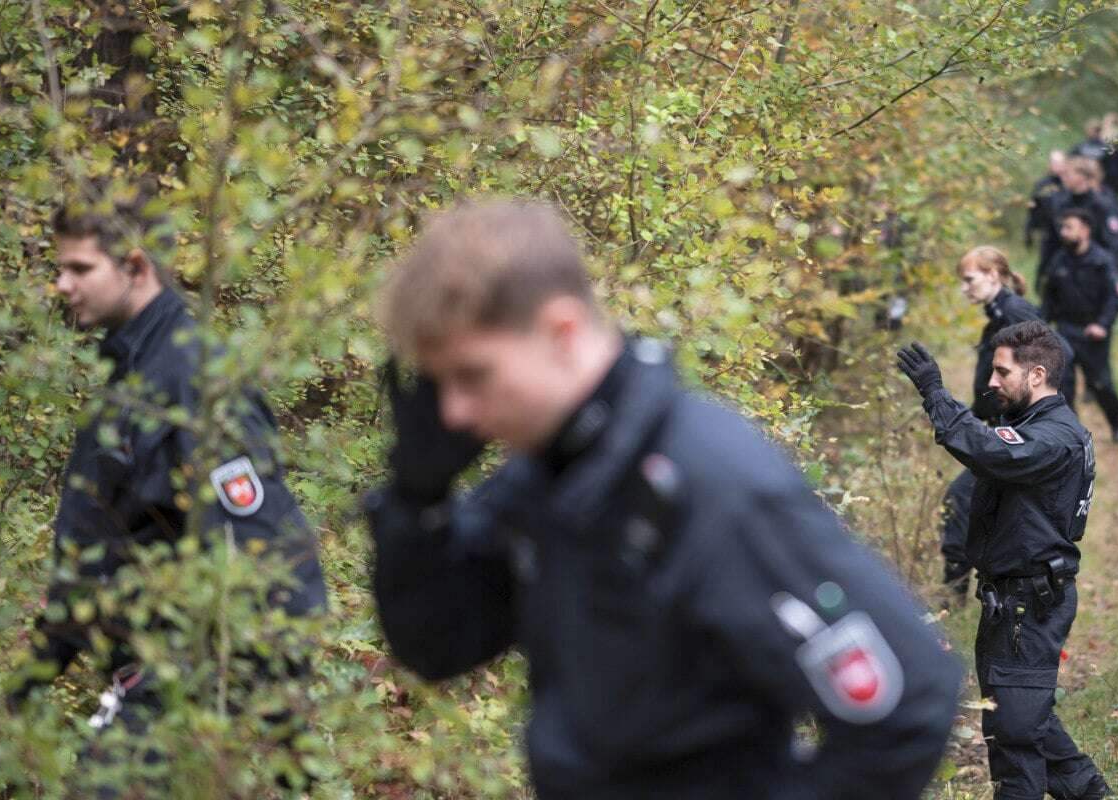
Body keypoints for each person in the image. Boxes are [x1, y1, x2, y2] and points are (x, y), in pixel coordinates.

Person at [366, 199, 962, 799]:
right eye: (440, 383)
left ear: (561, 332)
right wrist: (417, 503)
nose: (455, 412)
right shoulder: (551, 477)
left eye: (472, 375)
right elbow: (438, 645)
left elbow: (908, 702)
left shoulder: (711, 481)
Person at [7, 181, 328, 792]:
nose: (62, 285)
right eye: (59, 268)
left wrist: (289, 742)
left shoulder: (192, 378)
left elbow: (264, 554)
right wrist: (32, 682)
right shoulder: (129, 370)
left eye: (79, 268)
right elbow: (99, 546)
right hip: (146, 672)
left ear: (134, 266)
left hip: (190, 679)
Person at [897, 321, 1111, 800]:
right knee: (1019, 721)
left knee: (1015, 735)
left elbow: (991, 451)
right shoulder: (1037, 427)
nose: (991, 382)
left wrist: (936, 394)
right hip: (1009, 602)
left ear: (1036, 375)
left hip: (1029, 605)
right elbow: (991, 452)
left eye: (1001, 372)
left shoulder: (1054, 437)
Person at [939, 247, 1043, 602]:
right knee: (977, 504)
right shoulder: (999, 315)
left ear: (994, 275)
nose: (964, 288)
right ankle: (972, 594)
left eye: (969, 280)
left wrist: (1020, 427)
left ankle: (953, 599)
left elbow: (1044, 370)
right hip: (1002, 427)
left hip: (1017, 433)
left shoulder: (1015, 314)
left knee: (961, 499)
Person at [1041, 209, 1118, 443]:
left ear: (1085, 230)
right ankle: (1074, 436)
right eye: (1062, 227)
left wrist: (1102, 325)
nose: (1063, 232)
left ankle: (1117, 424)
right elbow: (1048, 300)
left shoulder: (1102, 261)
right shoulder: (1059, 260)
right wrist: (1040, 326)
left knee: (1101, 385)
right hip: (1065, 331)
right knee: (1063, 388)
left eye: (1069, 227)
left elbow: (1114, 298)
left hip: (1093, 335)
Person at [1036, 157, 1118, 292]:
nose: (1063, 178)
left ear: (1081, 177)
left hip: (1094, 271)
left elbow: (1116, 244)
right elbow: (1050, 240)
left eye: (1067, 174)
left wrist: (1112, 275)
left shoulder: (1102, 206)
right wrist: (1042, 272)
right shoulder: (1059, 203)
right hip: (1063, 271)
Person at [1024, 150, 1065, 251]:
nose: (1058, 166)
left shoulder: (1069, 184)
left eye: (1060, 163)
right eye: (1055, 163)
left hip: (1065, 232)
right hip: (1047, 233)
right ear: (1050, 165)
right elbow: (1033, 208)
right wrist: (1028, 232)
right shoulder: (1042, 185)